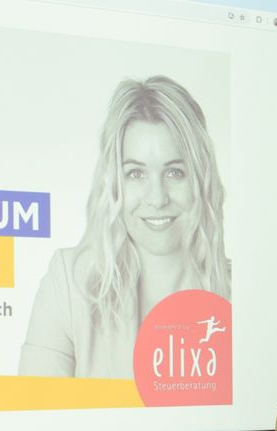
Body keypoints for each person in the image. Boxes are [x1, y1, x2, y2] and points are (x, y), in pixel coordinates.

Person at [19, 74, 230, 378]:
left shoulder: (238, 292)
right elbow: (35, 405)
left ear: (200, 179)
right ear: (113, 184)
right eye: (136, 174)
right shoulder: (69, 281)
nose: (157, 198)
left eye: (174, 173)